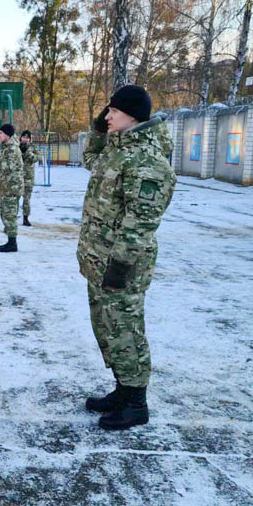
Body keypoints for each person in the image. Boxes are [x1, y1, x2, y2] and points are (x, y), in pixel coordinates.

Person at [77, 85, 176, 431]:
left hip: (121, 266)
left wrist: (119, 265)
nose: (107, 116)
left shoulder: (147, 159)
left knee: (126, 332)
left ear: (132, 115)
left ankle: (136, 403)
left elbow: (141, 222)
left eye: (113, 111)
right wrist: (96, 131)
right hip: (100, 261)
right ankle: (123, 389)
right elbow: (90, 160)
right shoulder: (118, 149)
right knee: (108, 329)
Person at [0, 123, 23, 252]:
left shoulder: (11, 149)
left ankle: (12, 243)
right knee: (6, 214)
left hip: (11, 188)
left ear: (6, 134)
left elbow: (7, 167)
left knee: (9, 215)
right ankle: (10, 240)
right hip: (8, 187)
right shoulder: (7, 147)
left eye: (0, 133)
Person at [20, 130, 41, 226]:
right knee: (14, 198)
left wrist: (27, 151)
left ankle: (25, 218)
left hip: (28, 177)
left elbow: (36, 159)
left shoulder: (33, 147)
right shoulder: (16, 147)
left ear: (30, 139)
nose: (25, 139)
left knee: (27, 199)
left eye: (27, 137)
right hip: (17, 177)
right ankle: (12, 218)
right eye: (23, 137)